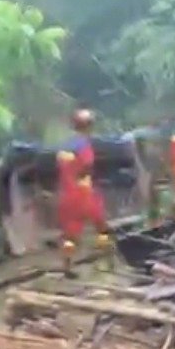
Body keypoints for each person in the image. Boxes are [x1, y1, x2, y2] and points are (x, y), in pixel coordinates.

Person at [55, 108, 112, 276]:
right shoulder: (84, 146)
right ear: (89, 126)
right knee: (101, 227)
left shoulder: (64, 146)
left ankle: (67, 266)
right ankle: (106, 262)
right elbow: (87, 167)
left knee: (70, 235)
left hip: (66, 193)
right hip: (83, 193)